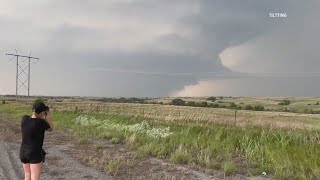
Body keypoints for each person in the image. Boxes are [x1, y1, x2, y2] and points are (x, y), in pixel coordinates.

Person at [19, 102, 53, 180]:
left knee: (27, 175)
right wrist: (48, 115)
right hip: (34, 153)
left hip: (23, 152)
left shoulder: (24, 119)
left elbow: (32, 118)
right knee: (35, 177)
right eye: (44, 113)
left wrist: (42, 113)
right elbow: (51, 128)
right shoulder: (41, 122)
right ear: (41, 113)